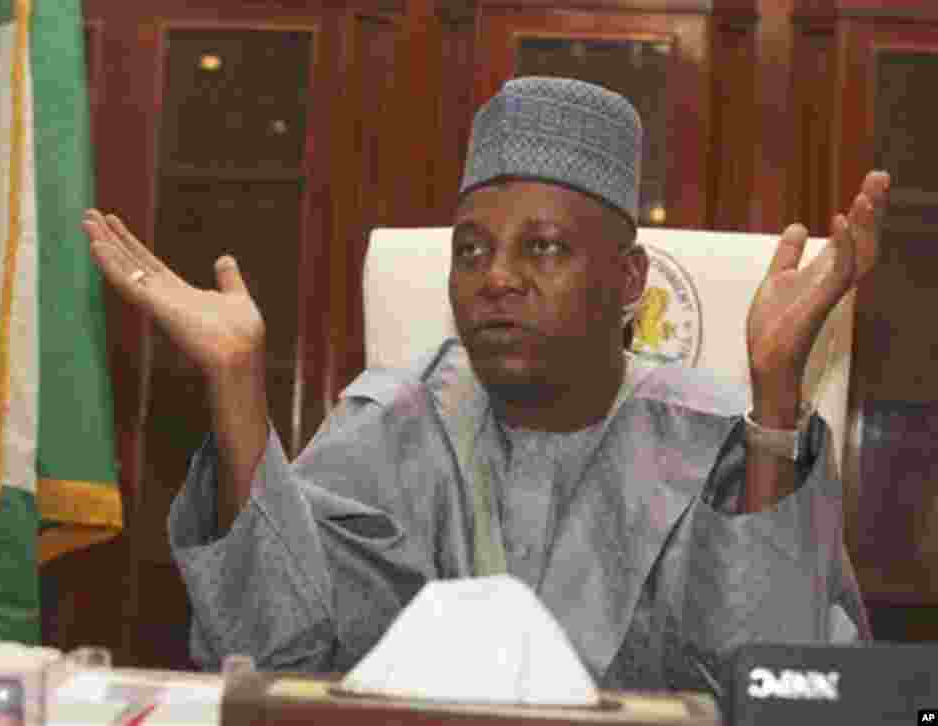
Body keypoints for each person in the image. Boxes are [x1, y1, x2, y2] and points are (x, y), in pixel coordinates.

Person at [82, 77, 889, 692]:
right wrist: (235, 386)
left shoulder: (718, 441)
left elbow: (785, 688)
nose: (495, 278)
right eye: (470, 250)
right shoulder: (391, 424)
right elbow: (275, 655)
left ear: (630, 277)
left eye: (541, 249)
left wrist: (777, 394)